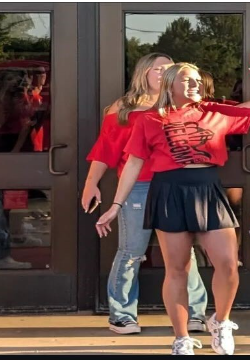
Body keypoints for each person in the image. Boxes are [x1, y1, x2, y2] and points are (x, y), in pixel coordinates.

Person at [95, 55, 250, 355]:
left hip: (207, 188)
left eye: (198, 79)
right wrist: (116, 205)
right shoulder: (148, 119)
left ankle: (220, 322)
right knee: (177, 269)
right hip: (169, 191)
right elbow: (133, 164)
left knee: (228, 263)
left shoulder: (212, 111)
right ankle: (181, 338)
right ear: (171, 85)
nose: (196, 84)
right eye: (188, 79)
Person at [82, 53, 209, 335]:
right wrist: (92, 183)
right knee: (131, 251)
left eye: (169, 68)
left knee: (183, 252)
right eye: (158, 69)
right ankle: (122, 315)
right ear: (144, 73)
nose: (164, 73)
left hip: (176, 185)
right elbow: (106, 149)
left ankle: (195, 313)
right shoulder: (124, 107)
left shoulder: (185, 103)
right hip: (137, 186)